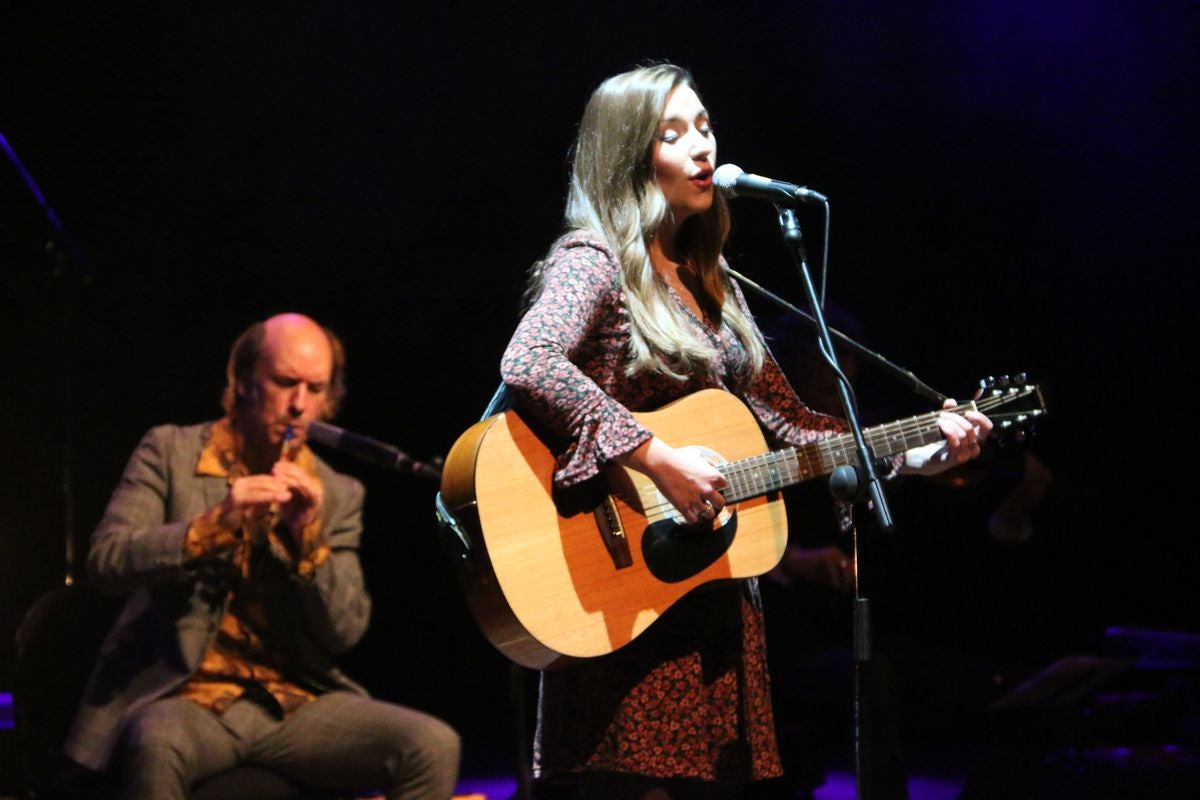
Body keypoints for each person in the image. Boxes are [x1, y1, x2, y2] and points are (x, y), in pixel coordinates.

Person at [499, 63, 992, 800]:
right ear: (630, 155)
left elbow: (789, 425)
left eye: (705, 126)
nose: (702, 147)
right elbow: (528, 360)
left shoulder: (713, 280)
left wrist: (904, 454)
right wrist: (656, 457)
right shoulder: (592, 260)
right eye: (673, 134)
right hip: (621, 593)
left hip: (711, 605)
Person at [65, 313, 461, 799]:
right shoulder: (170, 451)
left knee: (432, 745)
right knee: (157, 741)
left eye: (315, 389)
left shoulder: (336, 492)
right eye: (284, 383)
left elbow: (345, 631)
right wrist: (214, 525)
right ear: (242, 383)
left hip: (289, 705)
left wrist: (307, 540)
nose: (299, 405)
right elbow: (106, 562)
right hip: (187, 698)